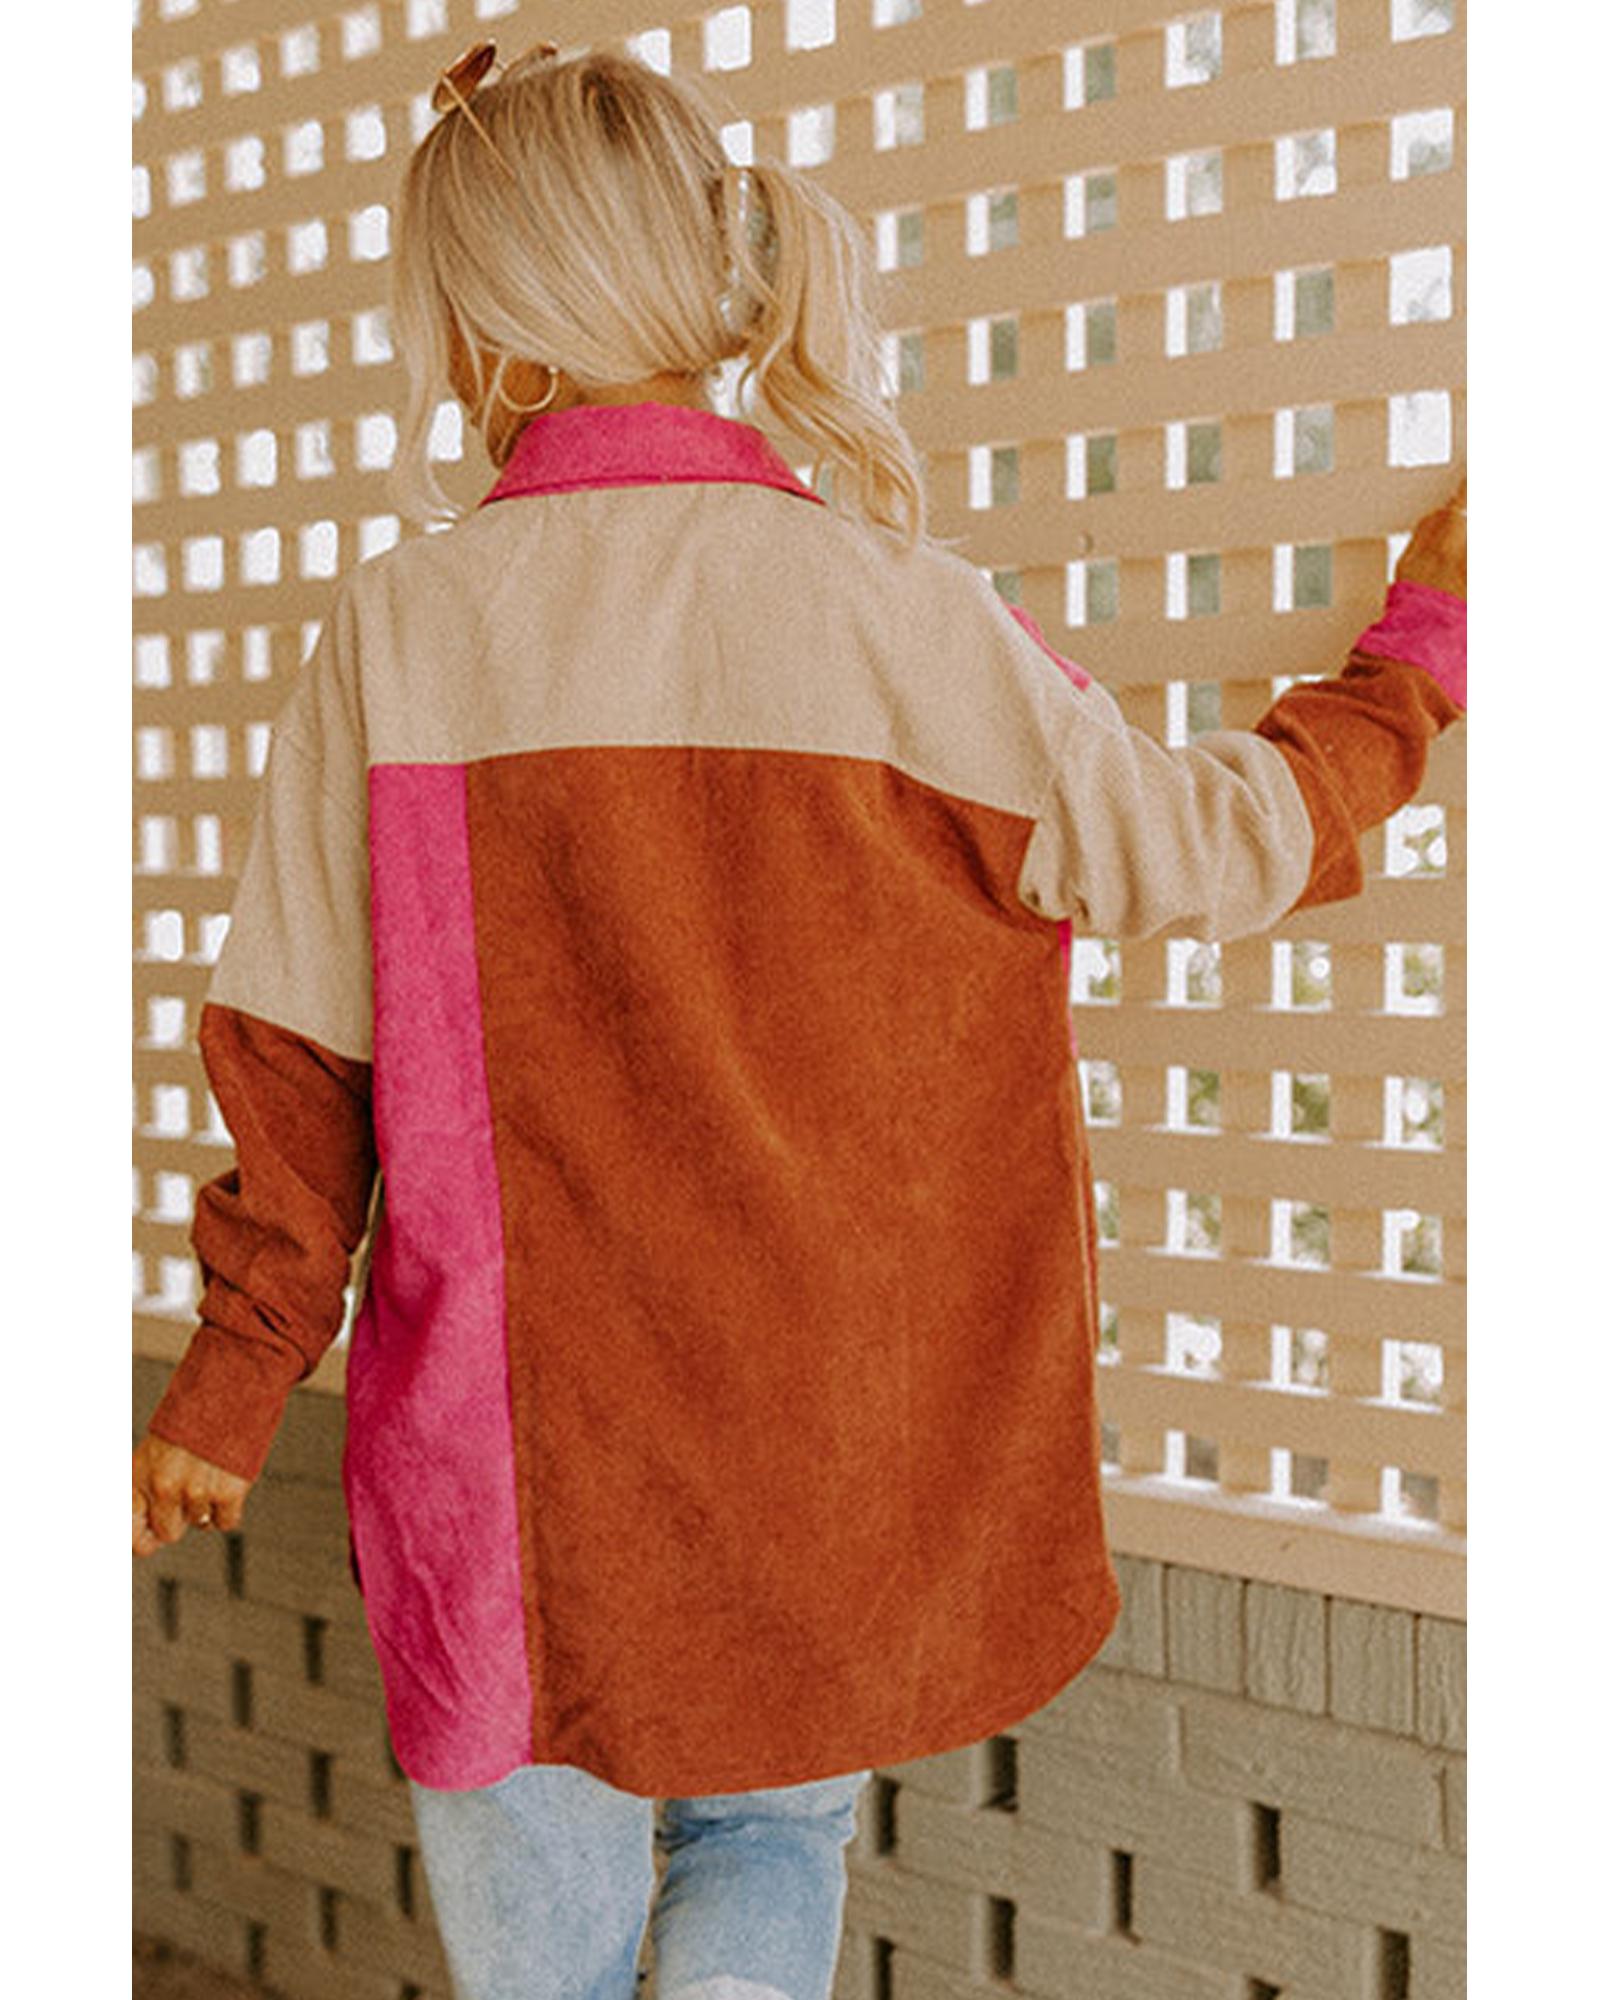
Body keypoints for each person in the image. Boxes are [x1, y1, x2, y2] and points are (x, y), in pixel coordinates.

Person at [131, 37, 1466, 2000]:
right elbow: (1200, 846)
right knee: (771, 1843)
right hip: (825, 1460)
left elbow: (298, 1056)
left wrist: (233, 1382)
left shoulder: (407, 626)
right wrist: (1417, 655)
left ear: (484, 326)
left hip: (514, 1483)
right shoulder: (900, 608)